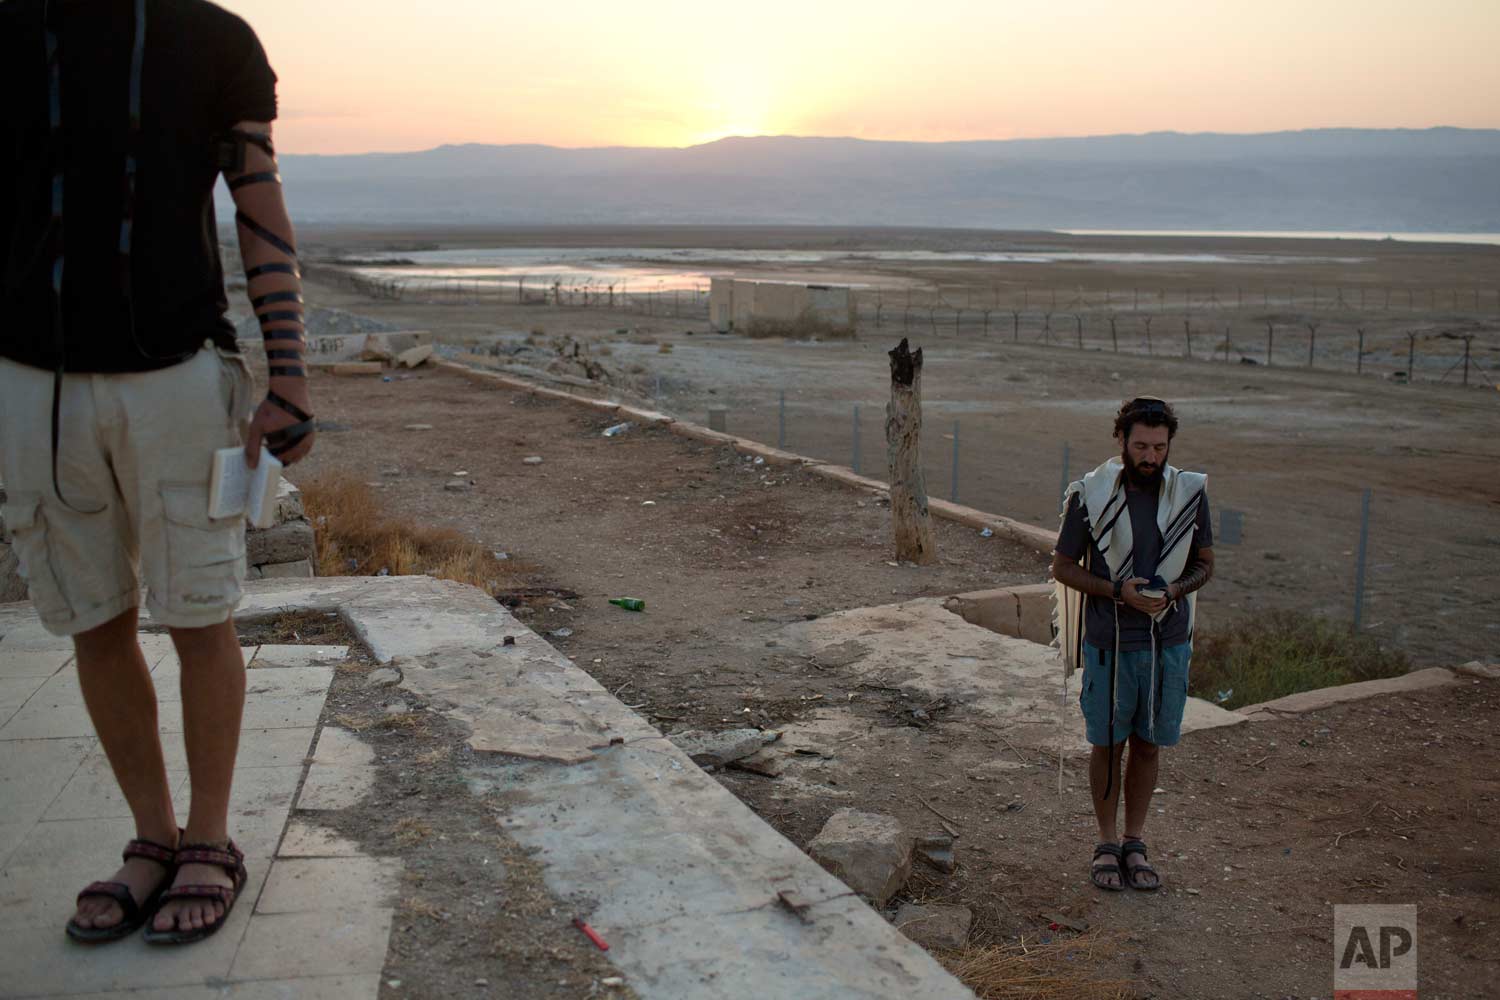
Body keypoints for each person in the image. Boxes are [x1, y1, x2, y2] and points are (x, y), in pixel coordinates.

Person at [0, 0, 314, 944]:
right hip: (29, 379)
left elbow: (257, 202)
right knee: (93, 619)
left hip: (176, 375)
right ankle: (151, 838)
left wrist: (289, 374)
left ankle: (208, 840)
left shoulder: (214, 39)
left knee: (197, 616)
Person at [1051, 397, 1214, 892]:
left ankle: (1134, 841)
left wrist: (1175, 591)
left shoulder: (1188, 493)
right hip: (1109, 642)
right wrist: (1115, 591)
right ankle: (1105, 843)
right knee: (1107, 742)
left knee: (1147, 744)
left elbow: (1205, 564)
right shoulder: (1091, 495)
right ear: (1120, 440)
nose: (1150, 456)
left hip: (1167, 642)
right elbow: (1062, 567)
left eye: (1159, 447)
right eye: (1140, 445)